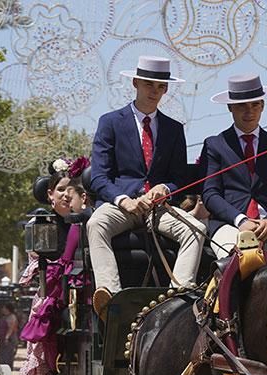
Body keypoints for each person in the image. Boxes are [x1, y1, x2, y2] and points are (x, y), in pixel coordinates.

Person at [87, 54, 203, 318]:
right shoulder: (110, 122)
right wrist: (124, 200)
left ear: (166, 90)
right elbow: (99, 177)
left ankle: (178, 299)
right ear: (135, 83)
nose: (155, 91)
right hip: (122, 205)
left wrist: (165, 188)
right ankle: (110, 297)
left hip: (158, 208)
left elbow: (179, 178)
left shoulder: (174, 129)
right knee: (95, 224)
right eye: (149, 84)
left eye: (161, 86)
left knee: (196, 229)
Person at [20, 159, 93, 375]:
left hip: (84, 290)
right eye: (60, 189)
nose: (65, 195)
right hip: (53, 292)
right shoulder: (43, 223)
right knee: (46, 328)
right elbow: (41, 268)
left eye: (70, 190)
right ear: (50, 194)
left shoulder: (89, 219)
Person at [201, 74, 267, 259]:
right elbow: (210, 194)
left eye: (255, 105)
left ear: (262, 106)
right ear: (230, 107)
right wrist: (240, 220)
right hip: (229, 225)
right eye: (242, 106)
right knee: (237, 261)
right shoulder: (215, 145)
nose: (250, 112)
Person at [0, 302, 19, 368]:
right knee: (2, 355)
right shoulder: (4, 317)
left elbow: (11, 328)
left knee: (7, 355)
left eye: (4, 308)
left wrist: (7, 337)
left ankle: (7, 369)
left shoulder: (12, 317)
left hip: (9, 339)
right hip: (2, 338)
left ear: (8, 309)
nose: (2, 309)